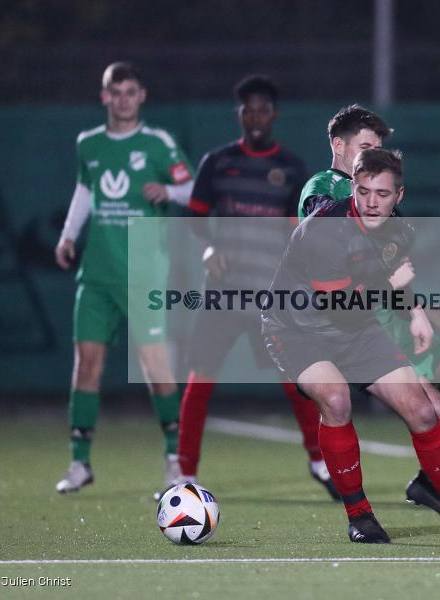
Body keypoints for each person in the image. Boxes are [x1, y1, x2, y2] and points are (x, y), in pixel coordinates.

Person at [299, 106, 440, 540]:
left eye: (378, 150)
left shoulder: (377, 194)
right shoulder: (326, 190)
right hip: (356, 320)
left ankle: (431, 482)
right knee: (434, 410)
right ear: (339, 146)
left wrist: (423, 311)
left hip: (387, 312)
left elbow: (390, 265)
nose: (372, 158)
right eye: (365, 148)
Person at [263, 148, 440, 543]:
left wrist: (418, 315)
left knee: (423, 411)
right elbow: (337, 303)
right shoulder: (325, 230)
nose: (372, 202)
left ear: (399, 196)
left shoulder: (400, 230)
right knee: (336, 400)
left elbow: (393, 275)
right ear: (352, 187)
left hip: (355, 324)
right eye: (364, 191)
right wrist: (388, 289)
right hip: (296, 328)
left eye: (383, 194)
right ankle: (360, 517)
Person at [175, 75, 338, 499]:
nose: (257, 116)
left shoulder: (291, 169)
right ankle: (184, 476)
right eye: (249, 109)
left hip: (272, 294)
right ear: (240, 115)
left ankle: (320, 463)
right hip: (224, 293)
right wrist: (209, 249)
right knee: (199, 382)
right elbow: (194, 220)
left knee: (297, 381)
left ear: (274, 115)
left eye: (264, 109)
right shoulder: (218, 162)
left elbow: (299, 233)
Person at [53, 61, 195, 494]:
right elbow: (85, 190)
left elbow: (192, 188)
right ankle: (80, 463)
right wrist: (67, 236)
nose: (124, 99)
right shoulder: (89, 144)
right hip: (96, 275)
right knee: (87, 366)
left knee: (156, 367)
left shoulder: (158, 143)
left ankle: (175, 461)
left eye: (131, 92)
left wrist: (168, 192)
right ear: (105, 97)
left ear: (142, 96)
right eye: (116, 92)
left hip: (145, 273)